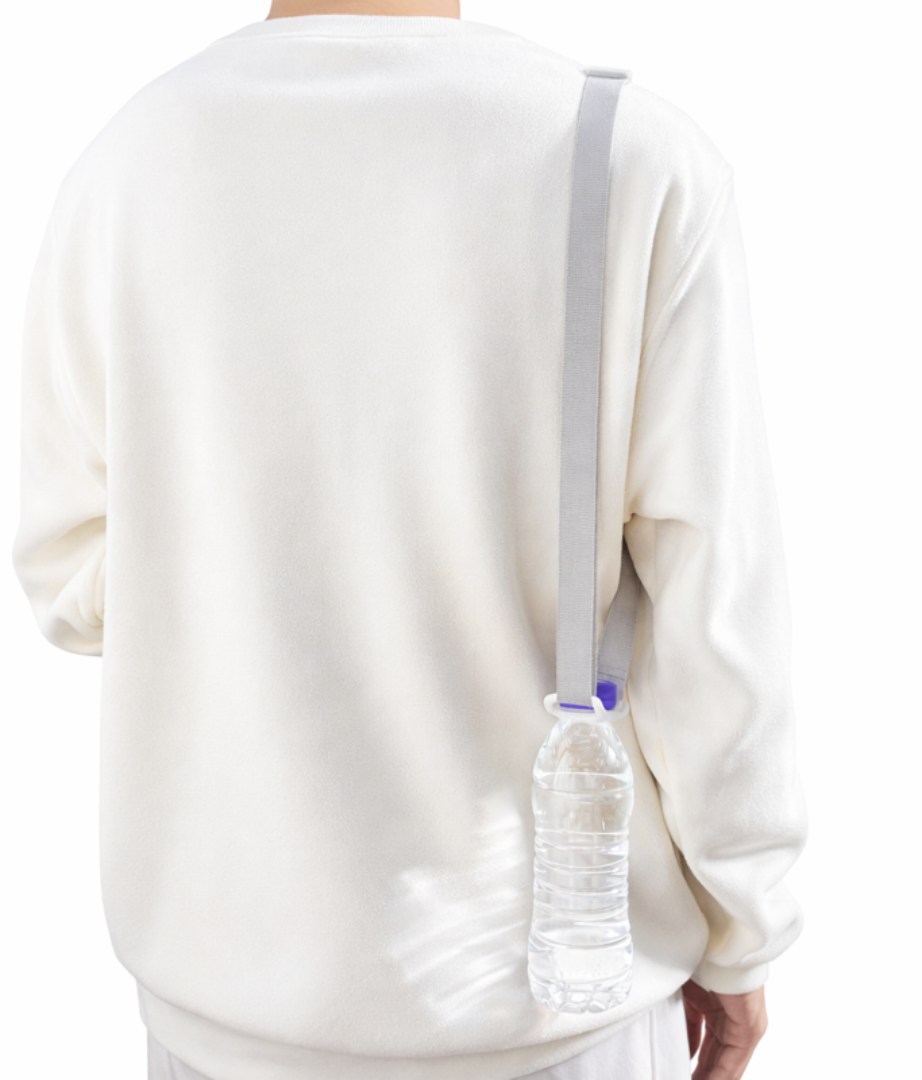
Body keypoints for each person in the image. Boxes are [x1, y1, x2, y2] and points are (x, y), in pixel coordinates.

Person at [12, 0, 807, 1077]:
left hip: (218, 1013)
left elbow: (66, 572)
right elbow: (716, 621)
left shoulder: (129, 162)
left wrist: (236, 566)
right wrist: (743, 927)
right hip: (557, 1003)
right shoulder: (634, 161)